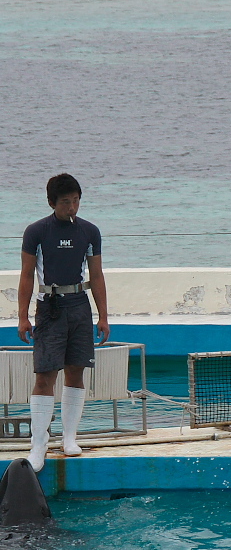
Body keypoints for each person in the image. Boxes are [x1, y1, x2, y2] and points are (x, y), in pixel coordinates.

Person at [17, 174, 110, 472]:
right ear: (52, 203)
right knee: (45, 374)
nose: (72, 207)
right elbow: (27, 275)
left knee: (76, 371)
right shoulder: (36, 232)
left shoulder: (90, 232)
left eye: (76, 200)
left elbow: (95, 275)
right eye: (65, 202)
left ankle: (69, 438)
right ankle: (38, 443)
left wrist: (103, 315)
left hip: (79, 305)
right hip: (49, 306)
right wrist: (22, 316)